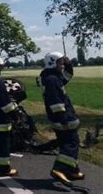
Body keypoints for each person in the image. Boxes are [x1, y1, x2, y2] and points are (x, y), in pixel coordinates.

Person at [40, 51, 83, 186]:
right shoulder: (52, 80)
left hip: (61, 119)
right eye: (60, 63)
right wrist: (64, 120)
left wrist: (69, 64)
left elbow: (67, 76)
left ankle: (72, 171)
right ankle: (60, 169)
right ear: (52, 63)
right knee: (71, 144)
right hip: (63, 119)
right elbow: (56, 103)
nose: (62, 66)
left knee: (70, 143)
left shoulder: (53, 77)